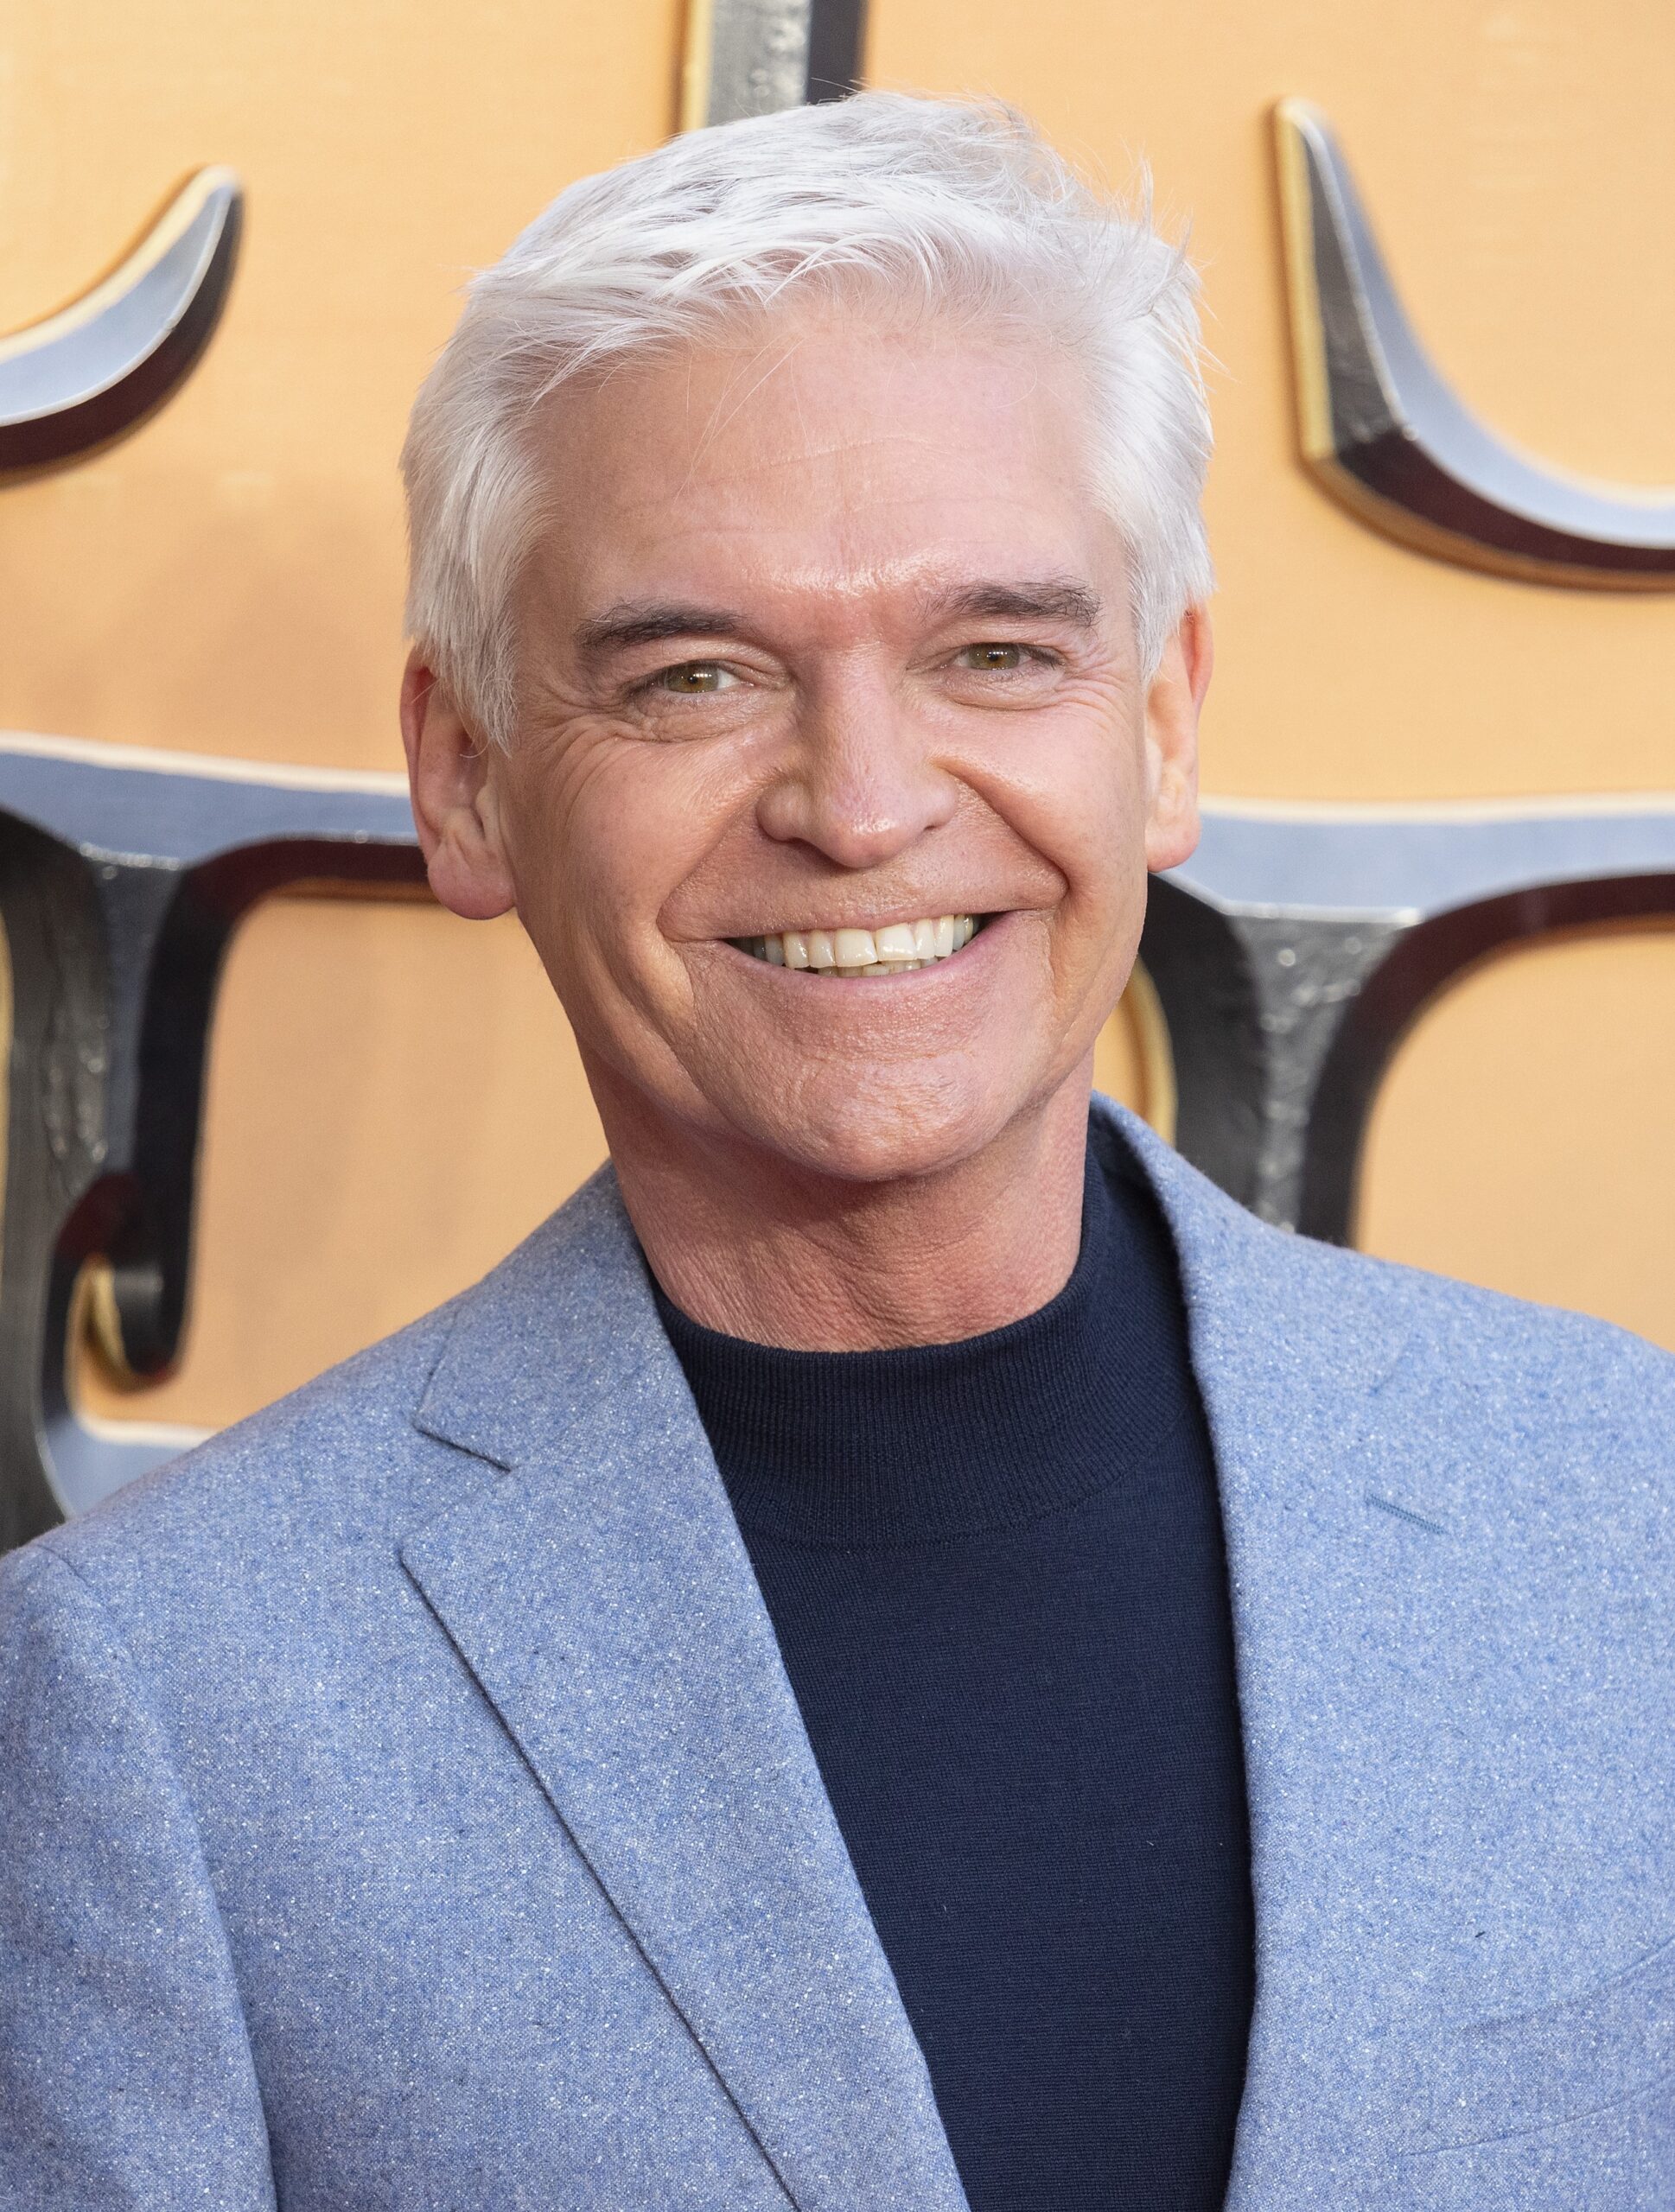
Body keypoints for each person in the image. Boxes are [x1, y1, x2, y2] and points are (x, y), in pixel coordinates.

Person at [1, 92, 1671, 2212]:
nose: (866, 804)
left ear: (1158, 722)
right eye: (695, 674)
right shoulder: (150, 1701)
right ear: (469, 775)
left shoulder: (1625, 1509)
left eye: (994, 651)